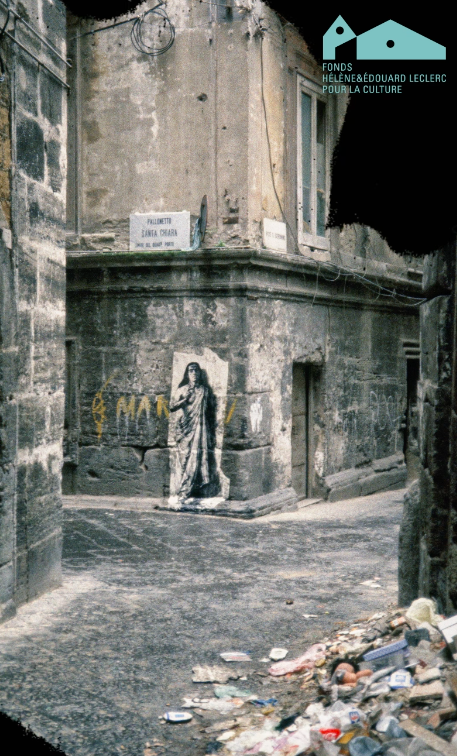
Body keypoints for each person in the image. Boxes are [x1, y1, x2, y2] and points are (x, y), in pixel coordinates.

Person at [169, 362, 219, 502]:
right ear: (187, 373)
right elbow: (172, 406)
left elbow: (210, 410)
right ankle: (183, 488)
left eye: (196, 371)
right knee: (184, 458)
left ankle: (187, 490)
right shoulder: (182, 389)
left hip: (200, 428)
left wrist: (211, 431)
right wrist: (185, 400)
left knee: (197, 456)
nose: (194, 374)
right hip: (186, 428)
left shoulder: (204, 390)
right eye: (191, 371)